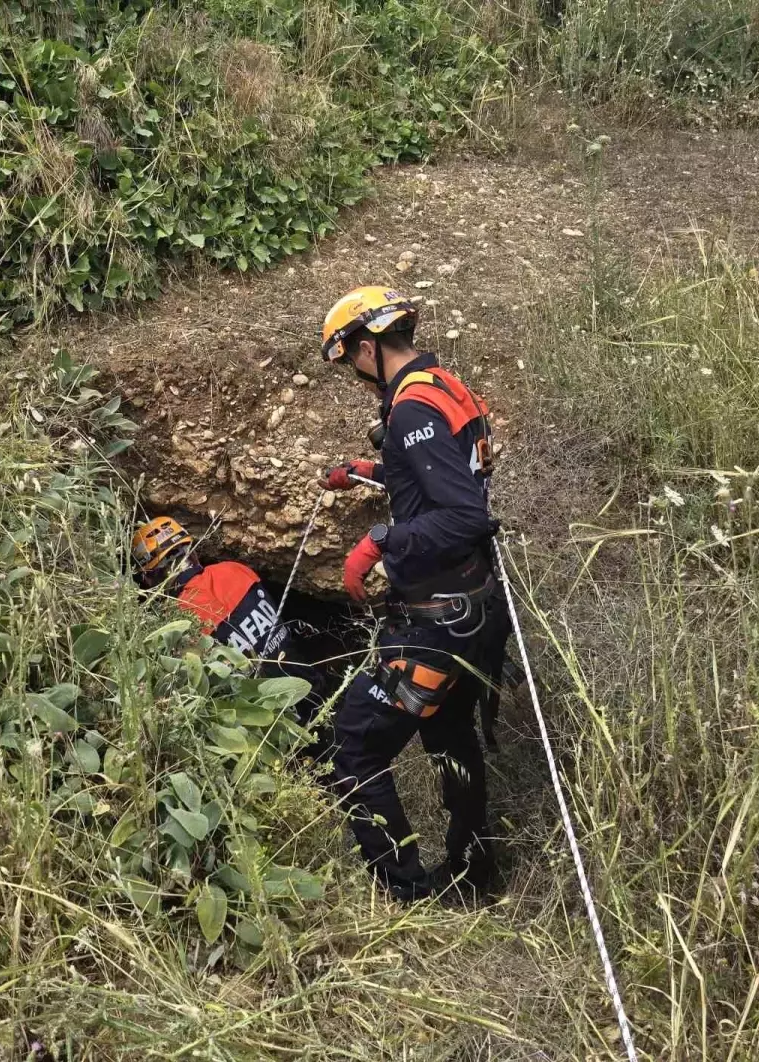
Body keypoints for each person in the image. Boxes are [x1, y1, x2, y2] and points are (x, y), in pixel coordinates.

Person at [319, 285, 510, 902]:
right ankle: (472, 870)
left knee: (354, 747)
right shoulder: (440, 385)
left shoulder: (410, 410)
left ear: (369, 347)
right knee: (450, 735)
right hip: (472, 608)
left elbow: (464, 516)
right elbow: (442, 475)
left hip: (435, 622)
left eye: (350, 357)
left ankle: (405, 891)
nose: (353, 371)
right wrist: (372, 471)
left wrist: (380, 540)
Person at [130, 517, 328, 734]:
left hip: (277, 726)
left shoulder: (179, 621)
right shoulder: (235, 569)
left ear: (150, 579)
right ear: (192, 551)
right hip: (314, 689)